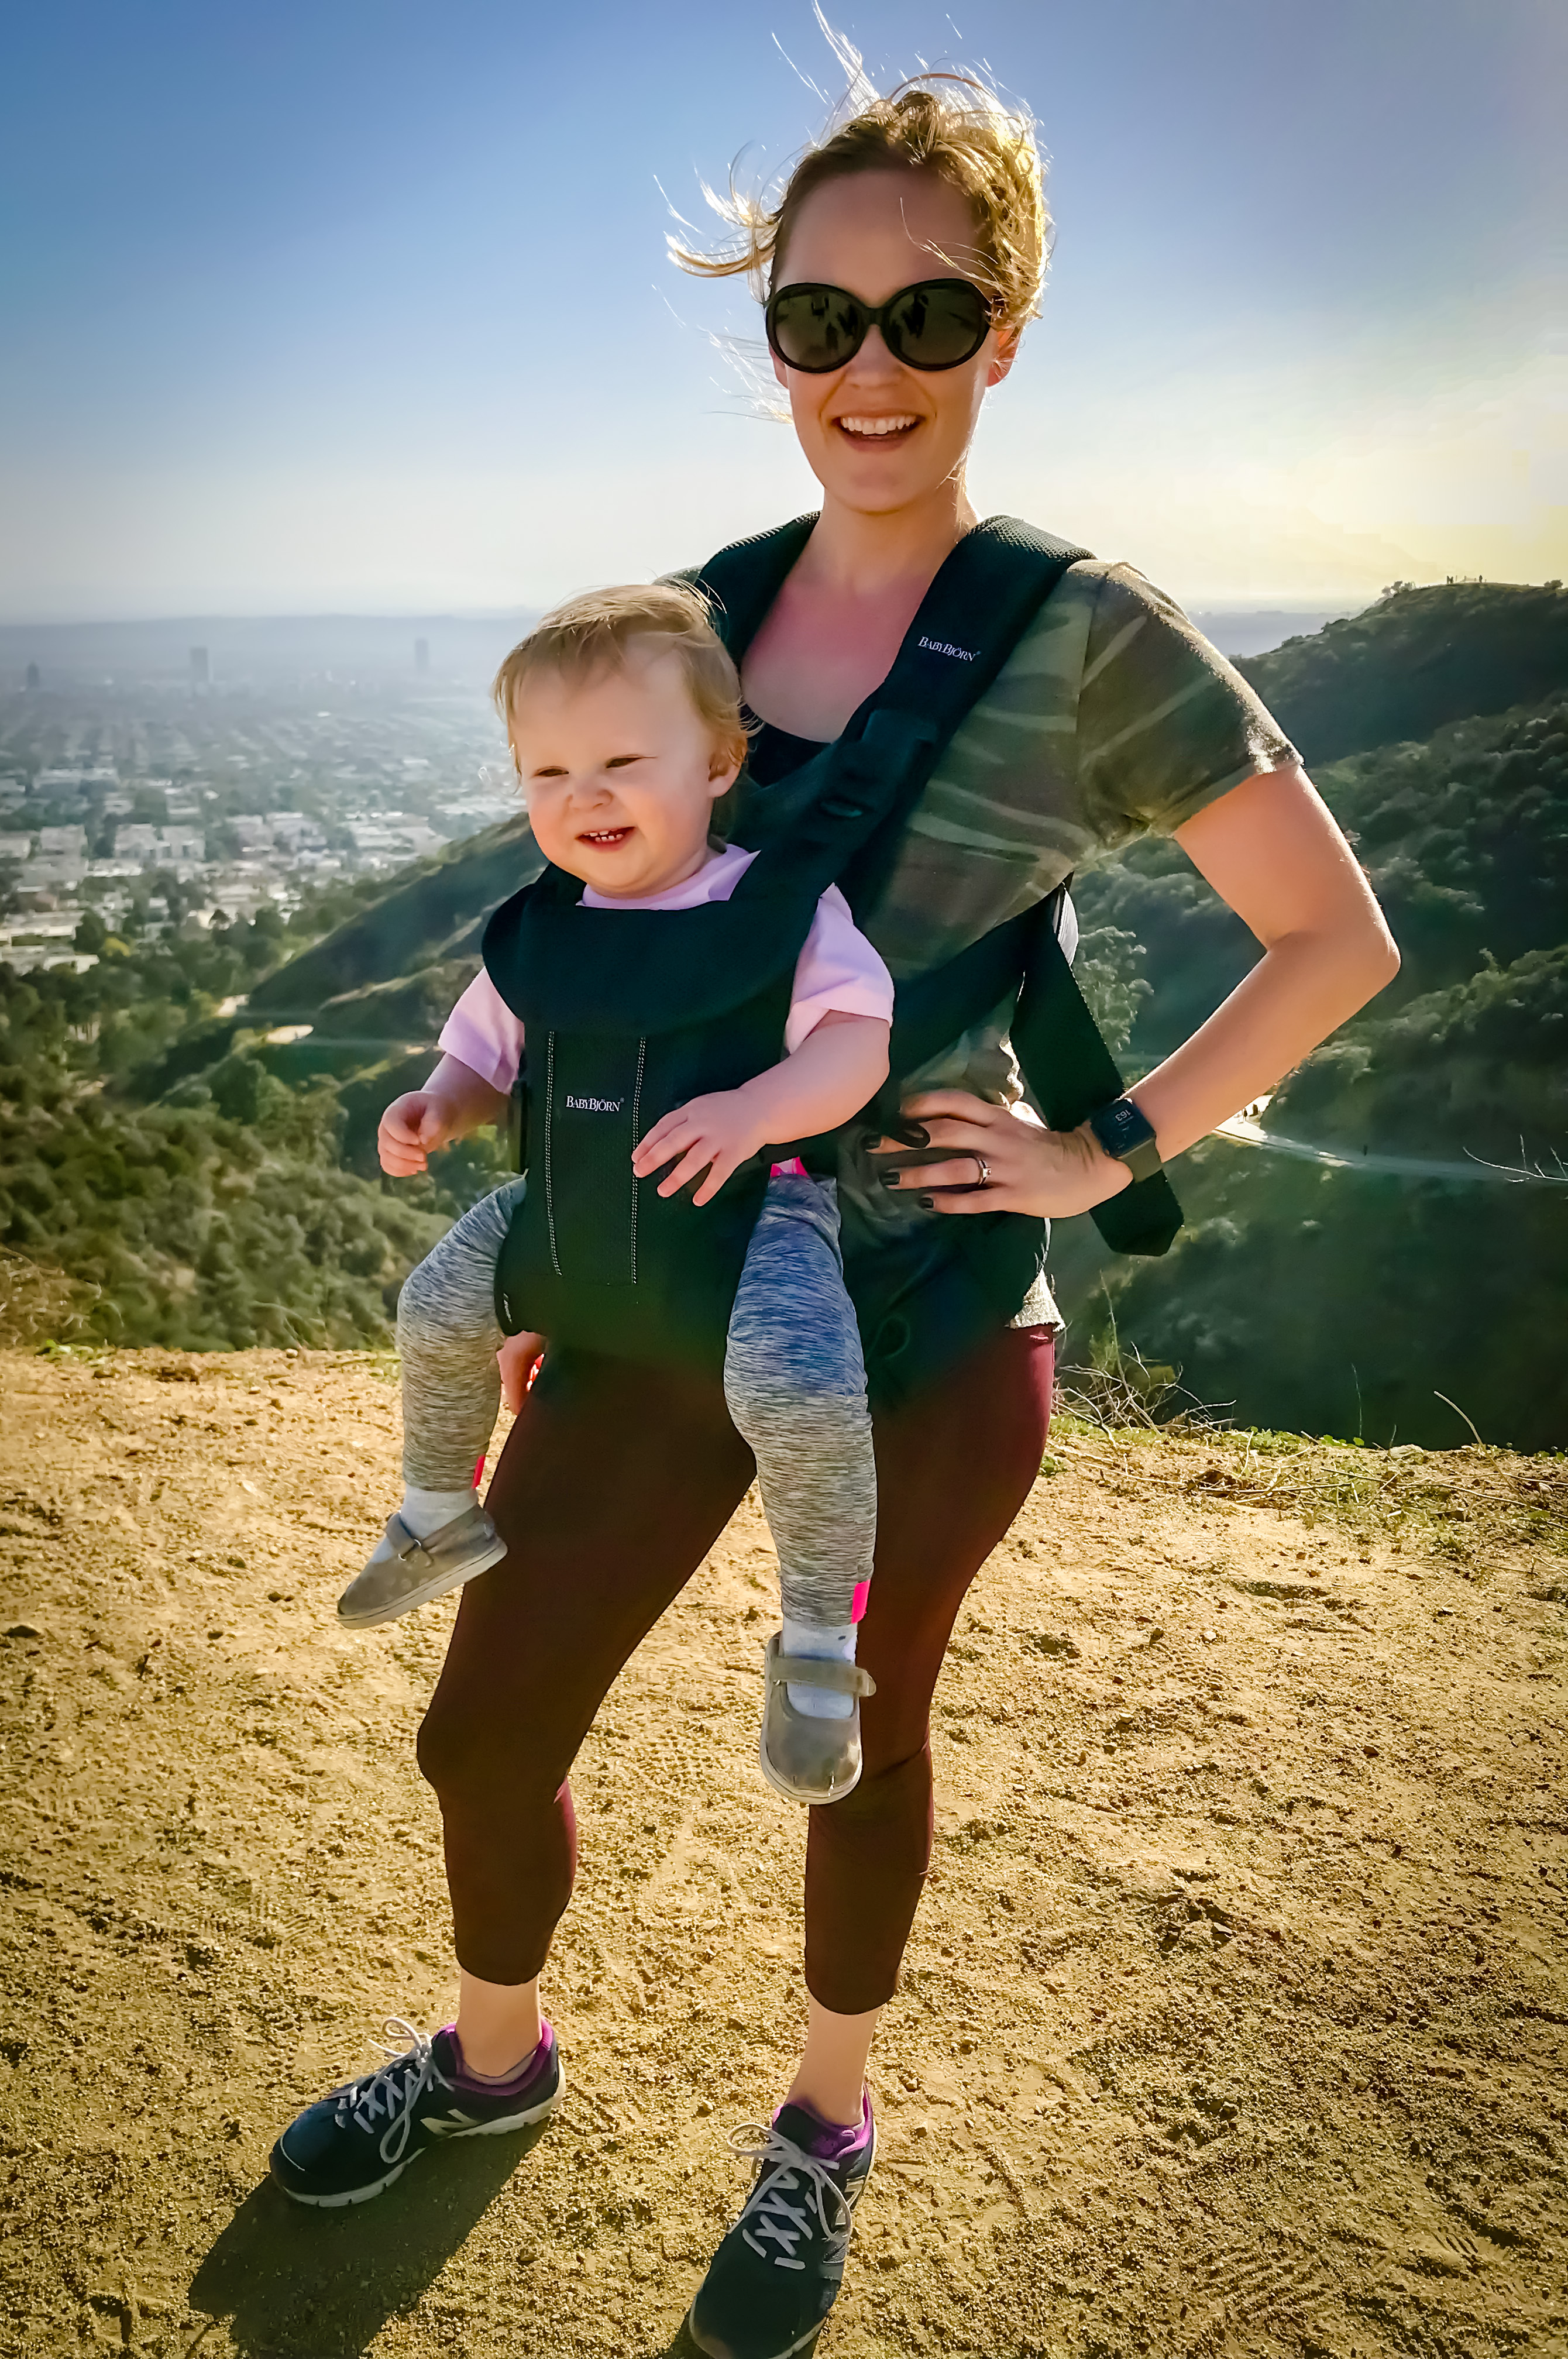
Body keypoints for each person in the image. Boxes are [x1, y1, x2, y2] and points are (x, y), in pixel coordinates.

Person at [269, 70, 1399, 2359]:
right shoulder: (696, 619)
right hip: (656, 1272)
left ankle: (822, 2132)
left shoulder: (1091, 641)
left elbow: (1334, 938)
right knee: (487, 1723)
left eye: (927, 312)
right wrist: (522, 1195)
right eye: (818, 316)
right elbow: (607, 930)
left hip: (925, 1304)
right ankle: (494, 2070)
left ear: (1006, 333)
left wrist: (1105, 1152)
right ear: (768, 341)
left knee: (865, 1725)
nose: (869, 364)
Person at [336, 581, 896, 1805]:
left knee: (799, 1387)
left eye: (620, 762)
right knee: (435, 1308)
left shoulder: (773, 909)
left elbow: (856, 1044)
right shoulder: (545, 928)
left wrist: (756, 1109)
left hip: (750, 1209)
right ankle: (438, 1511)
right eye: (545, 774)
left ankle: (818, 1639)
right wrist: (441, 1104)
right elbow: (485, 1050)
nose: (581, 796)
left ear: (717, 762)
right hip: (573, 1204)